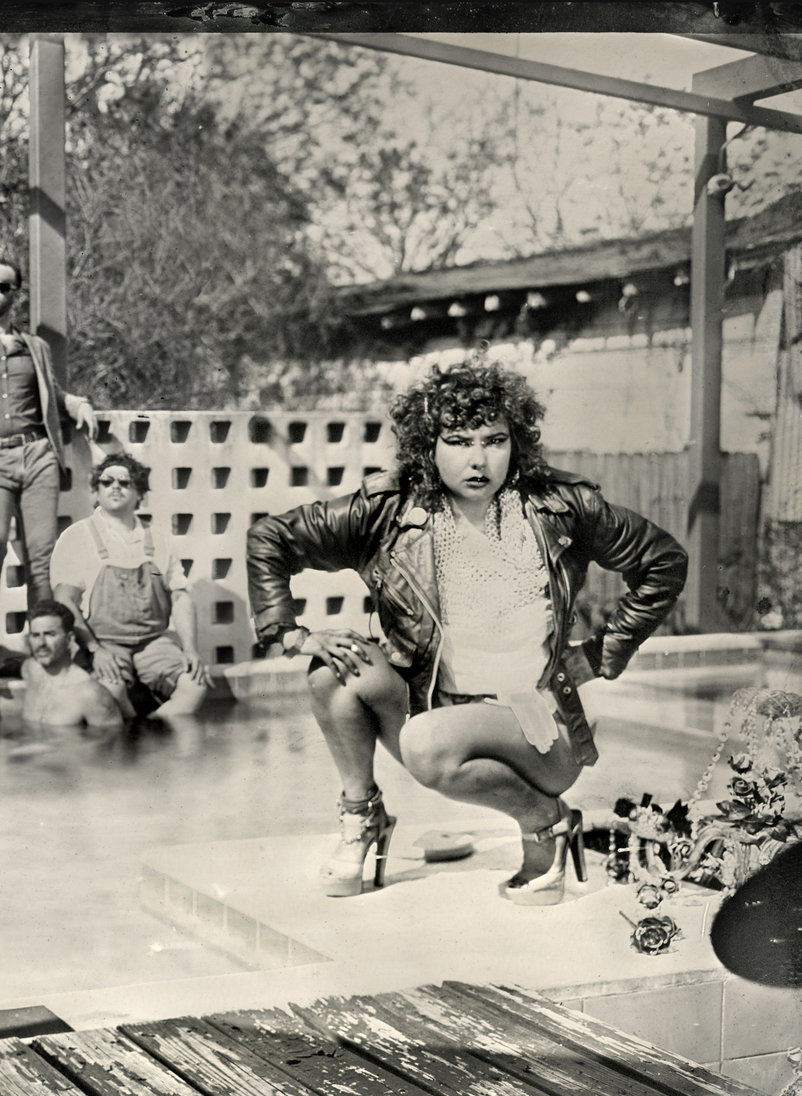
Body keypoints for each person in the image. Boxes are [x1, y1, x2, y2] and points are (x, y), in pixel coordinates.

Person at [246, 357, 688, 904]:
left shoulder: (559, 508)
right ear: (428, 447)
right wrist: (292, 635)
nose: (478, 459)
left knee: (428, 742)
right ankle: (362, 817)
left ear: (515, 443)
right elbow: (270, 539)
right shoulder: (389, 513)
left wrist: (602, 654)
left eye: (494, 440)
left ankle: (546, 820)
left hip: (535, 725)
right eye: (457, 440)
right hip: (437, 709)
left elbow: (664, 561)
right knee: (334, 674)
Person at [0, 258, 97, 671]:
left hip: (38, 455)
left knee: (42, 557)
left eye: (2, 287)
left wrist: (76, 403)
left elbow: (52, 394)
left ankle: (47, 657)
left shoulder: (35, 346)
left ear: (15, 296)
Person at [51, 452, 211, 719]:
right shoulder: (76, 536)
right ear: (96, 491)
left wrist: (191, 649)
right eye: (107, 481)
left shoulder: (158, 538)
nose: (115, 487)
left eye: (125, 483)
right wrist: (94, 649)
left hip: (153, 643)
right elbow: (63, 600)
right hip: (103, 643)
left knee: (196, 686)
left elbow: (181, 597)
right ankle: (134, 736)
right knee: (109, 692)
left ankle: (150, 734)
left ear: (140, 493)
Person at [19, 599, 124, 729]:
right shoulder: (30, 669)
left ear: (69, 639)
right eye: (35, 635)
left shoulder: (91, 695)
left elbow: (115, 745)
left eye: (50, 634)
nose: (41, 643)